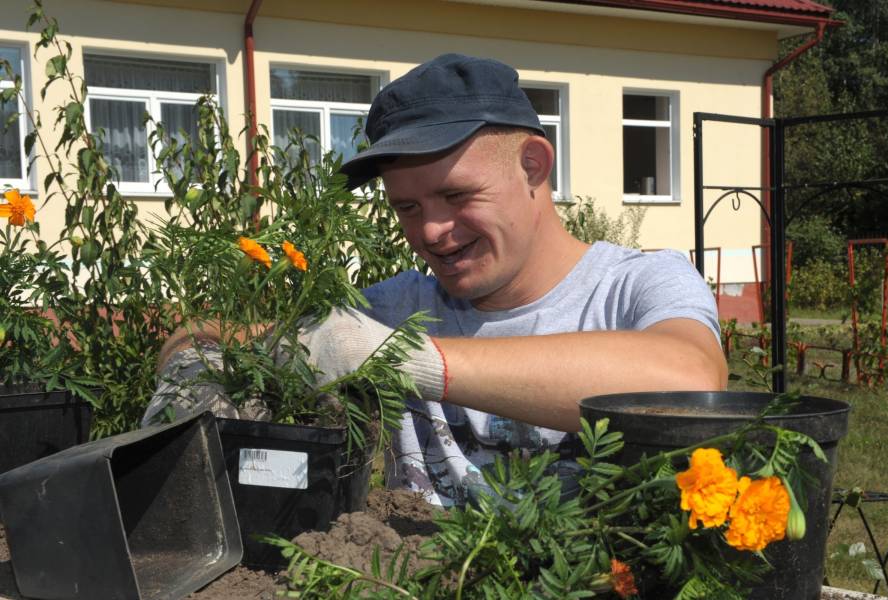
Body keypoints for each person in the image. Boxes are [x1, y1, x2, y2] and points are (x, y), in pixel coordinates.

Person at [144, 53, 726, 507]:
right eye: (408, 208)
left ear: (533, 166)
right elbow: (219, 334)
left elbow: (690, 384)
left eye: (455, 195)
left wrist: (410, 361)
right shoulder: (398, 305)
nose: (434, 232)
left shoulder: (636, 285)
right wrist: (193, 357)